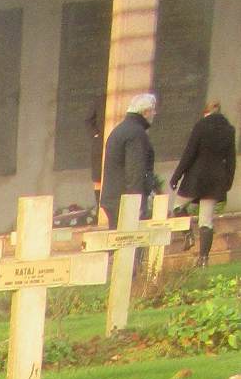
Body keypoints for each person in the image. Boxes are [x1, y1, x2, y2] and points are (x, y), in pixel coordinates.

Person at [171, 99, 236, 266]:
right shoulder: (229, 129)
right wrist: (228, 181)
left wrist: (176, 176)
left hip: (196, 177)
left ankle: (188, 235)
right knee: (206, 220)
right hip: (216, 180)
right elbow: (231, 159)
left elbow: (189, 153)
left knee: (178, 207)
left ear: (205, 112)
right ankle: (204, 259)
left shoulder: (201, 126)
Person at [100, 93, 158, 226]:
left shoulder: (121, 129)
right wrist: (136, 203)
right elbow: (135, 170)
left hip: (113, 197)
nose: (154, 113)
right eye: (152, 110)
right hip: (125, 201)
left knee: (117, 236)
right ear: (145, 112)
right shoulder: (136, 134)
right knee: (129, 237)